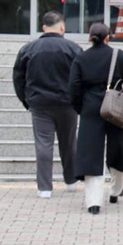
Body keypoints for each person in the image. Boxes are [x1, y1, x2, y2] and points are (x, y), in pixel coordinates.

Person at [69, 23, 123, 215]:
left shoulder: (81, 58)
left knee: (91, 153)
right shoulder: (118, 55)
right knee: (118, 148)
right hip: (116, 107)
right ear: (108, 37)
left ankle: (94, 203)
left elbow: (73, 87)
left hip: (90, 109)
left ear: (90, 38)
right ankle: (115, 190)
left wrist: (81, 108)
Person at [12, 11, 81, 198]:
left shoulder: (28, 49)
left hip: (39, 103)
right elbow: (81, 77)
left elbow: (18, 78)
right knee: (69, 143)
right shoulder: (73, 48)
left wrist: (26, 100)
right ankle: (71, 181)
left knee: (43, 144)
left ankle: (44, 188)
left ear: (43, 27)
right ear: (62, 27)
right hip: (67, 103)